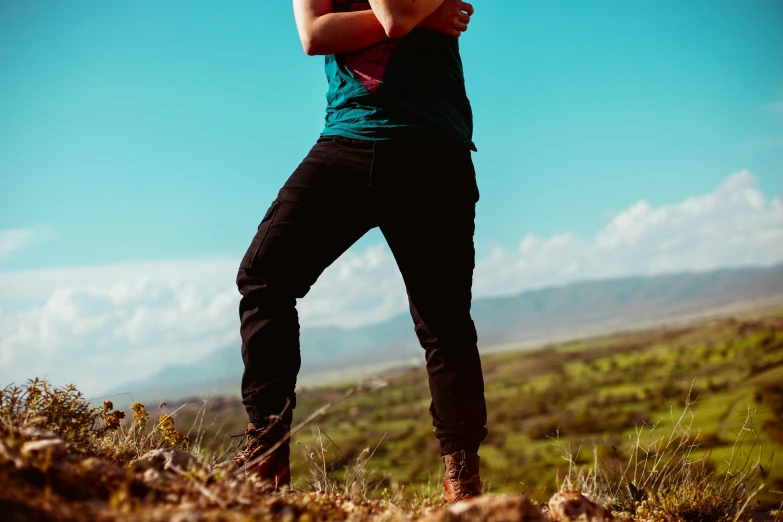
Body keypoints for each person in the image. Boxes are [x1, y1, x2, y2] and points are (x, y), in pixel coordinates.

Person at [233, 0, 487, 503]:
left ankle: (463, 481)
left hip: (430, 147)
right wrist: (425, 17)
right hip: (347, 141)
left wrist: (407, 19)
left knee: (444, 322)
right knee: (264, 278)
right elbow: (315, 35)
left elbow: (393, 15)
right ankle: (266, 450)